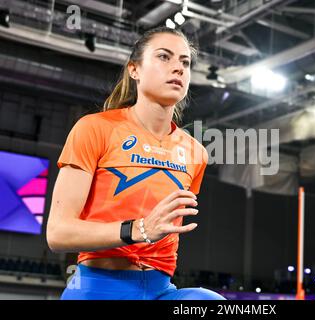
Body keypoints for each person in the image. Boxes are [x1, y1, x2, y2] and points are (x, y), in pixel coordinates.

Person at [46, 26, 225, 300]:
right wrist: (139, 229)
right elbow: (58, 233)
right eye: (164, 57)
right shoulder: (94, 129)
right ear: (134, 70)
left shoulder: (195, 152)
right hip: (98, 286)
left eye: (185, 62)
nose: (178, 68)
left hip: (161, 289)